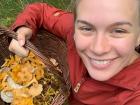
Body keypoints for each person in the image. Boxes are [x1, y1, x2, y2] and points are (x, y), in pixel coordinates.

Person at [8, 0, 140, 104]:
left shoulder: (134, 94)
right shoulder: (73, 31)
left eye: (118, 31)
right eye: (87, 28)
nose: (98, 49)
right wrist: (23, 29)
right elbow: (41, 11)